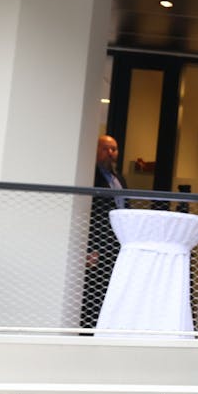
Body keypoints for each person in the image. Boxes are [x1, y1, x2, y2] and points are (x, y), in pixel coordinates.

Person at [80, 134, 126, 330]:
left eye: (114, 149)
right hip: (97, 246)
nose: (111, 153)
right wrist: (90, 247)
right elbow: (88, 213)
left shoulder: (119, 177)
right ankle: (89, 329)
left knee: (112, 289)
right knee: (94, 291)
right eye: (106, 149)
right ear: (96, 150)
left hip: (117, 245)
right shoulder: (90, 175)